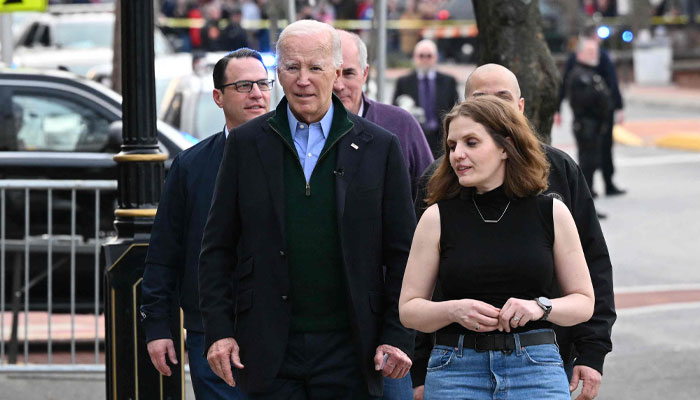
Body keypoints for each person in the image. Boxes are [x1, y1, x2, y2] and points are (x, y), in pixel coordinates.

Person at [197, 20, 415, 399]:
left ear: (335, 72)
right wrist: (219, 330)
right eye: (292, 67)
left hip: (354, 349)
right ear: (278, 73)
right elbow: (217, 247)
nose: (303, 80)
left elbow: (403, 255)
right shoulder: (247, 145)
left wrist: (396, 334)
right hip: (267, 349)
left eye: (315, 67)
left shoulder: (380, 147)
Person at [411, 64, 616, 400]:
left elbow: (593, 271)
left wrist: (591, 351)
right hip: (454, 364)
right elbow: (413, 289)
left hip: (541, 360)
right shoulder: (439, 190)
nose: (459, 154)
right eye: (480, 100)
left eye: (502, 98)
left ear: (519, 108)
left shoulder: (558, 177)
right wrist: (421, 366)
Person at [140, 48, 272, 399]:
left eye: (263, 83)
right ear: (218, 97)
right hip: (210, 332)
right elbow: (165, 251)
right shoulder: (191, 166)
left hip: (279, 331)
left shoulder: (296, 161)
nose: (257, 94)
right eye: (244, 86)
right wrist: (158, 327)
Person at [333, 29, 434, 199]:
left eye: (349, 73)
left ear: (365, 74)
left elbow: (432, 193)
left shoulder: (401, 124)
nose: (338, 85)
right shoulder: (302, 130)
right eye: (332, 74)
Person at [556, 23, 625, 197]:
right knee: (588, 156)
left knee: (605, 148)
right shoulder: (578, 65)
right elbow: (566, 85)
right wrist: (558, 109)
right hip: (588, 117)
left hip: (603, 115)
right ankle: (588, 191)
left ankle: (608, 183)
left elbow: (613, 83)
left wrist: (617, 106)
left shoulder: (602, 57)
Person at [392, 39, 459, 159]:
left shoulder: (449, 82)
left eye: (429, 56)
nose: (425, 59)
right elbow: (395, 111)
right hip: (415, 137)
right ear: (414, 57)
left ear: (436, 57)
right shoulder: (404, 82)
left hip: (442, 138)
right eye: (421, 56)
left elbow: (456, 110)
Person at [564, 39, 613, 194]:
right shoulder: (580, 76)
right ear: (580, 54)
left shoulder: (591, 74)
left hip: (595, 126)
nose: (594, 55)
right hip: (587, 126)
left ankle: (590, 197)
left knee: (593, 164)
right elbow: (585, 101)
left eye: (595, 52)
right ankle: (586, 202)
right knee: (587, 165)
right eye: (590, 52)